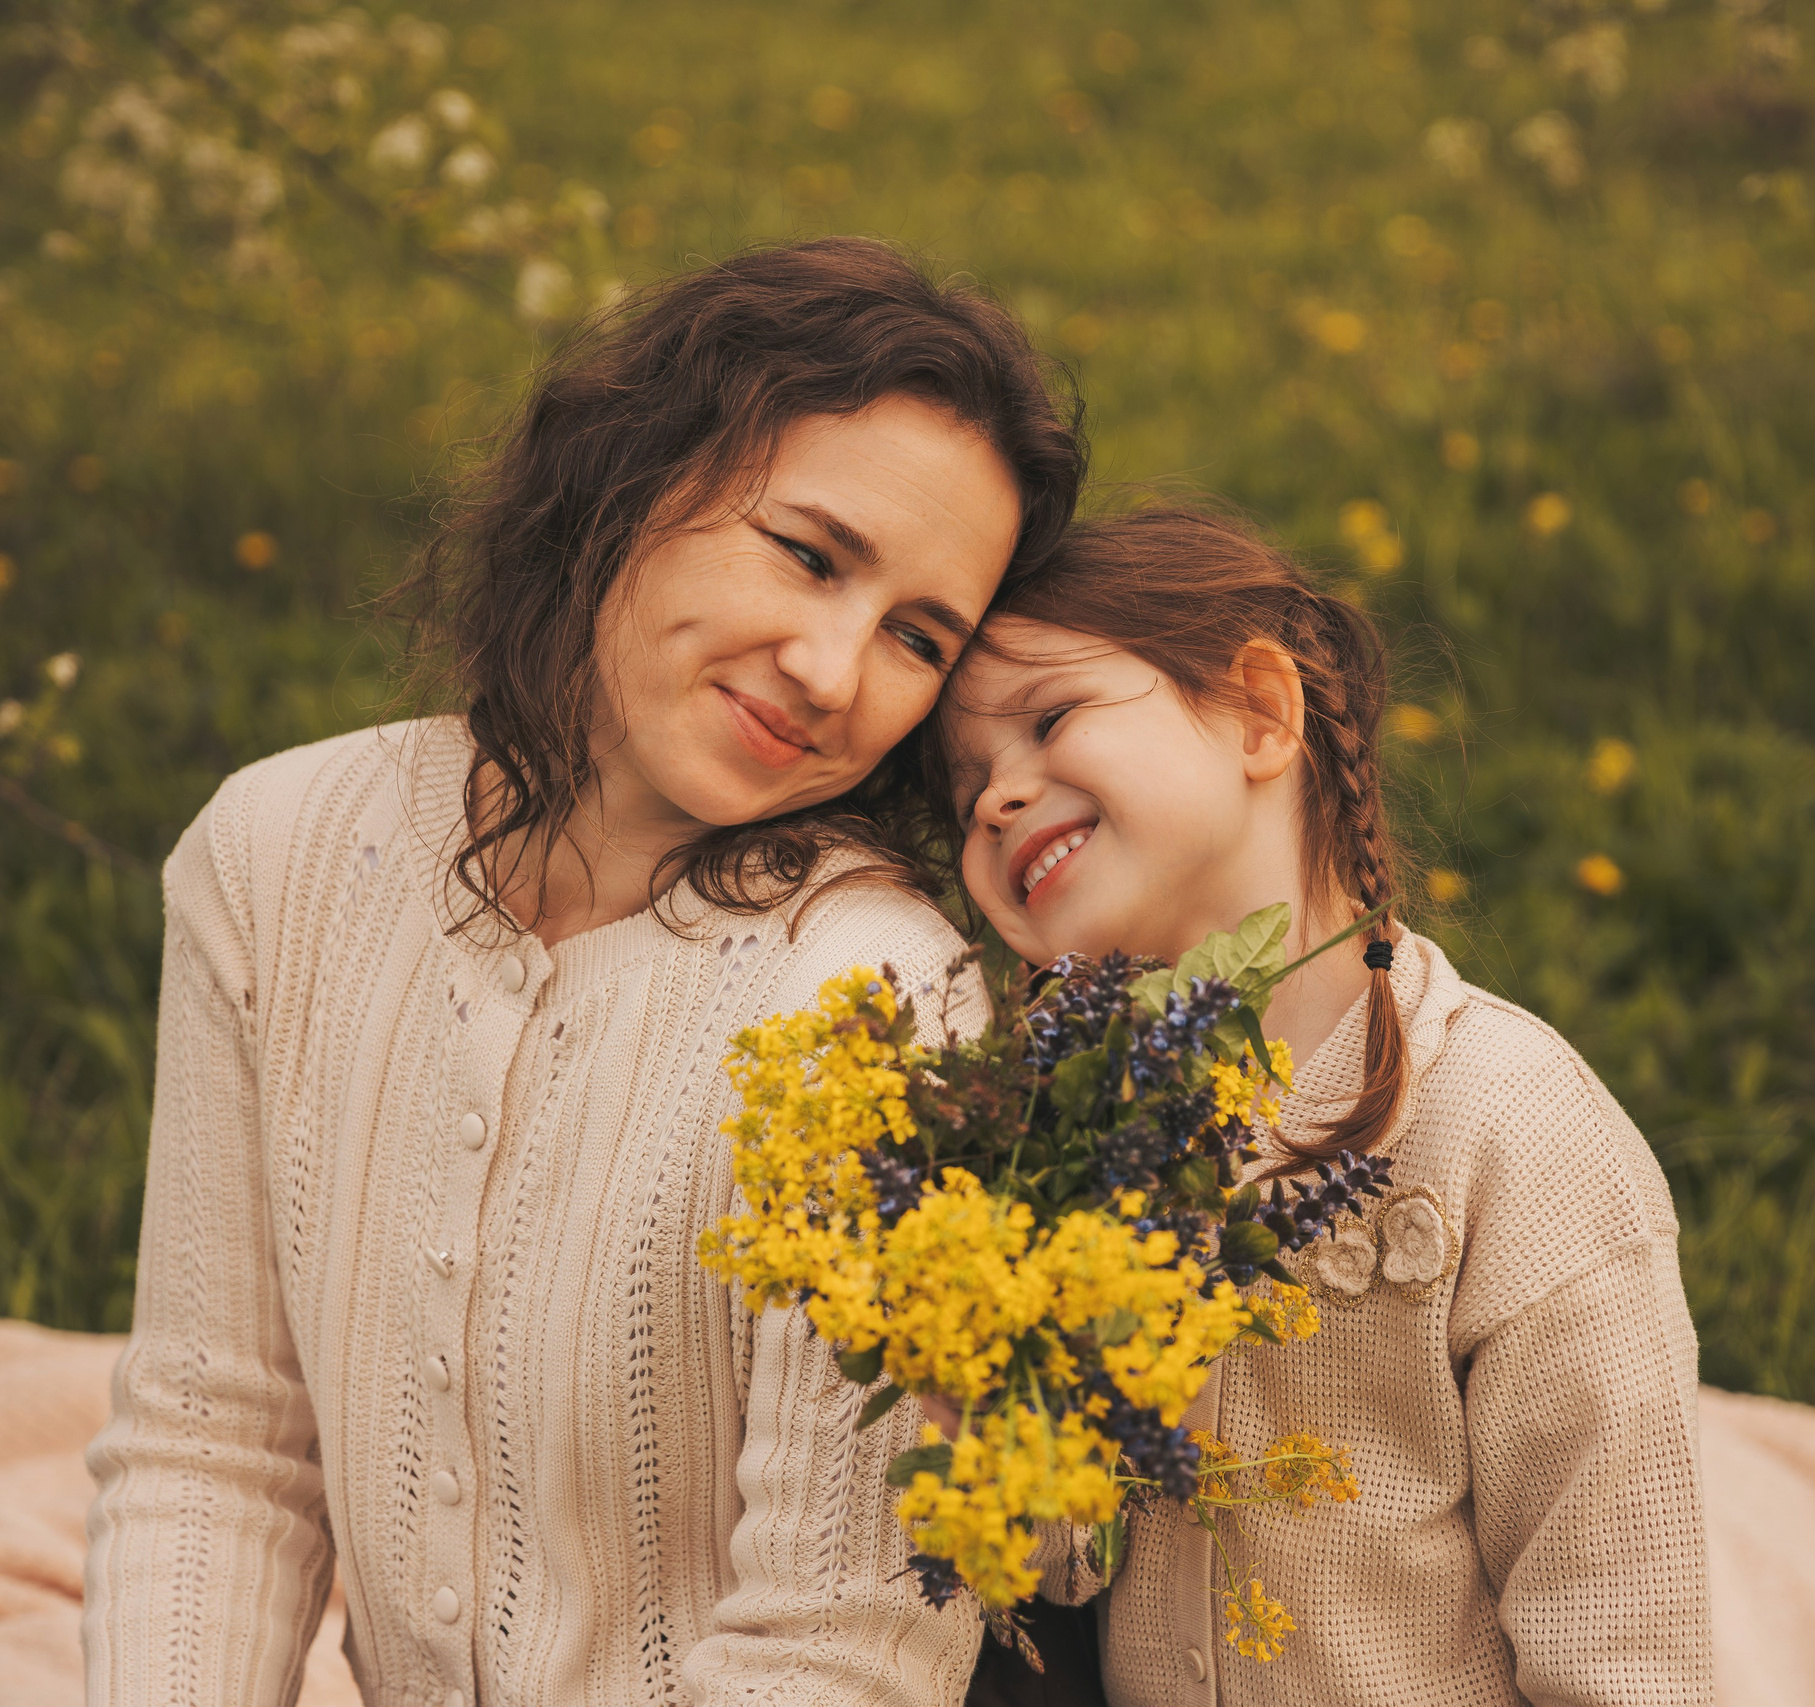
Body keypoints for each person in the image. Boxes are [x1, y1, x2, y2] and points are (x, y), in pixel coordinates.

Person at [82, 238, 1085, 1707]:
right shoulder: (279, 849)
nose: (829, 666)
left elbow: (840, 1638)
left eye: (914, 637)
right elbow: (215, 1439)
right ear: (634, 480)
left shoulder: (877, 995)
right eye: (809, 553)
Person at [929, 508, 1713, 1706]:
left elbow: (1623, 1640)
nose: (996, 799)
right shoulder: (1061, 1137)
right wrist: (966, 1379)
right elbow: (1061, 1568)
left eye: (1048, 720)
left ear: (1259, 712)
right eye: (968, 786)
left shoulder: (1509, 1131)